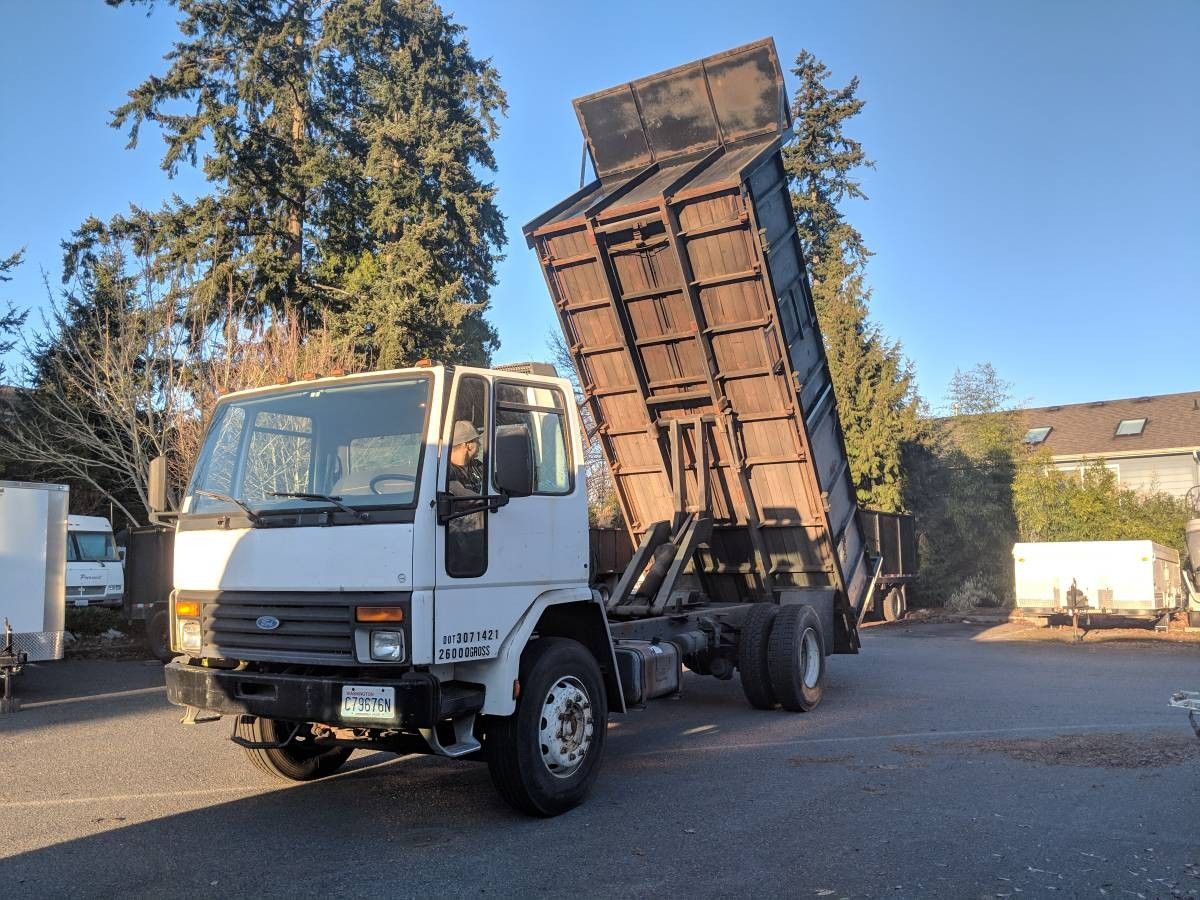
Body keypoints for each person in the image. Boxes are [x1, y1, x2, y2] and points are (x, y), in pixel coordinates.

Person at [447, 420, 483, 496]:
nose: (480, 444)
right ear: (467, 444)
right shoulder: (445, 470)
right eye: (477, 441)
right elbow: (459, 492)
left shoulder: (478, 466)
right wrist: (488, 501)